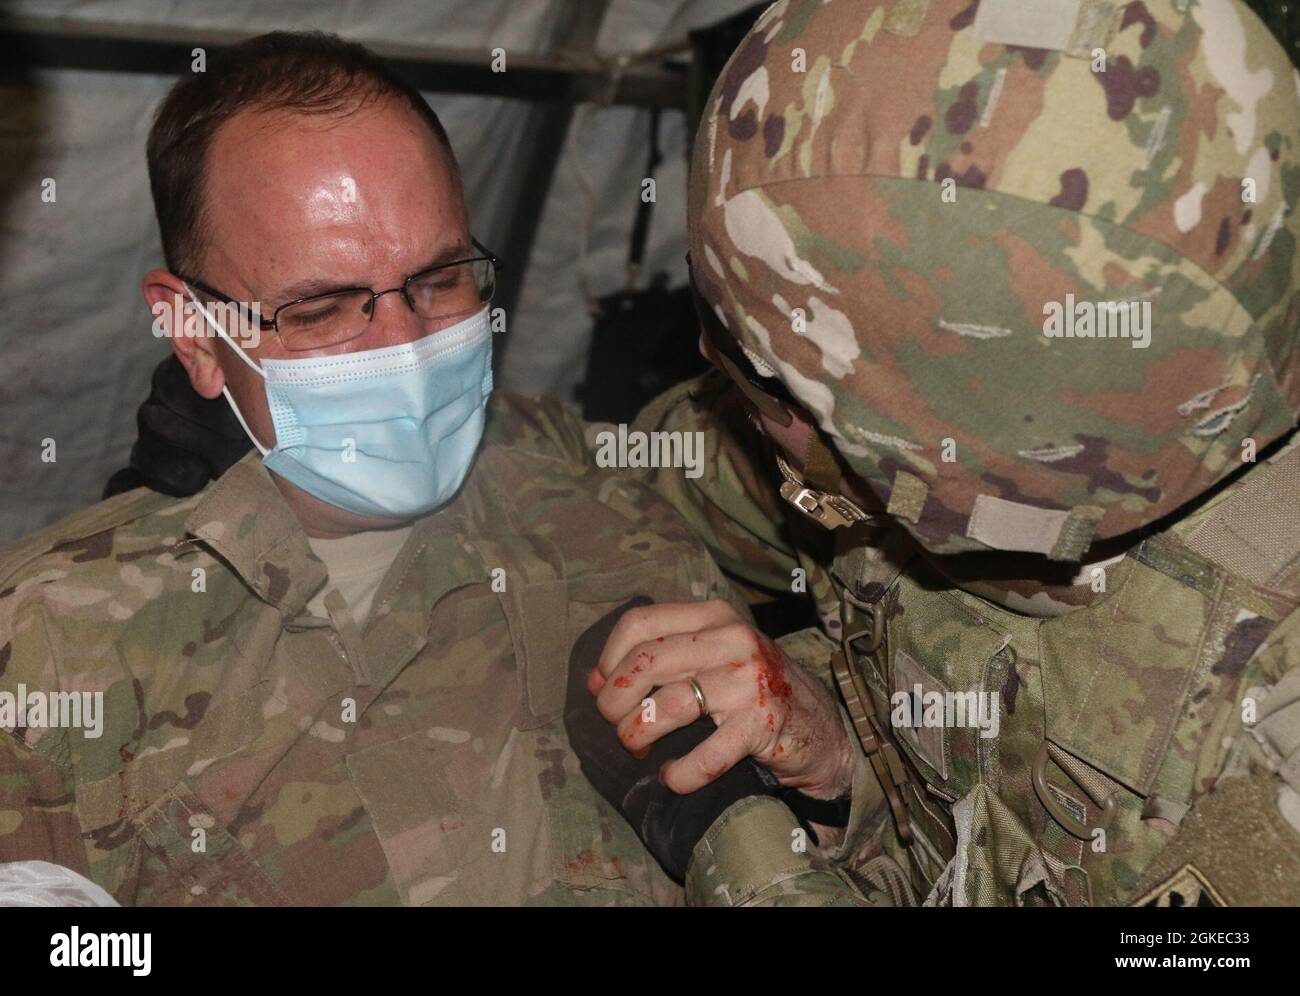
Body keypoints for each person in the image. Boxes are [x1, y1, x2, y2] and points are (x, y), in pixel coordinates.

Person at [569, 0, 1300, 906]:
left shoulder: (1270, 755)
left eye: (758, 369)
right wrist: (843, 764)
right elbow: (626, 481)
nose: (730, 386)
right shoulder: (925, 476)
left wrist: (744, 851)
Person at [0, 31, 749, 906]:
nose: (406, 345)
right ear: (195, 332)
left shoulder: (613, 522)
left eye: (439, 280)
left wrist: (829, 780)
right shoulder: (53, 647)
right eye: (320, 309)